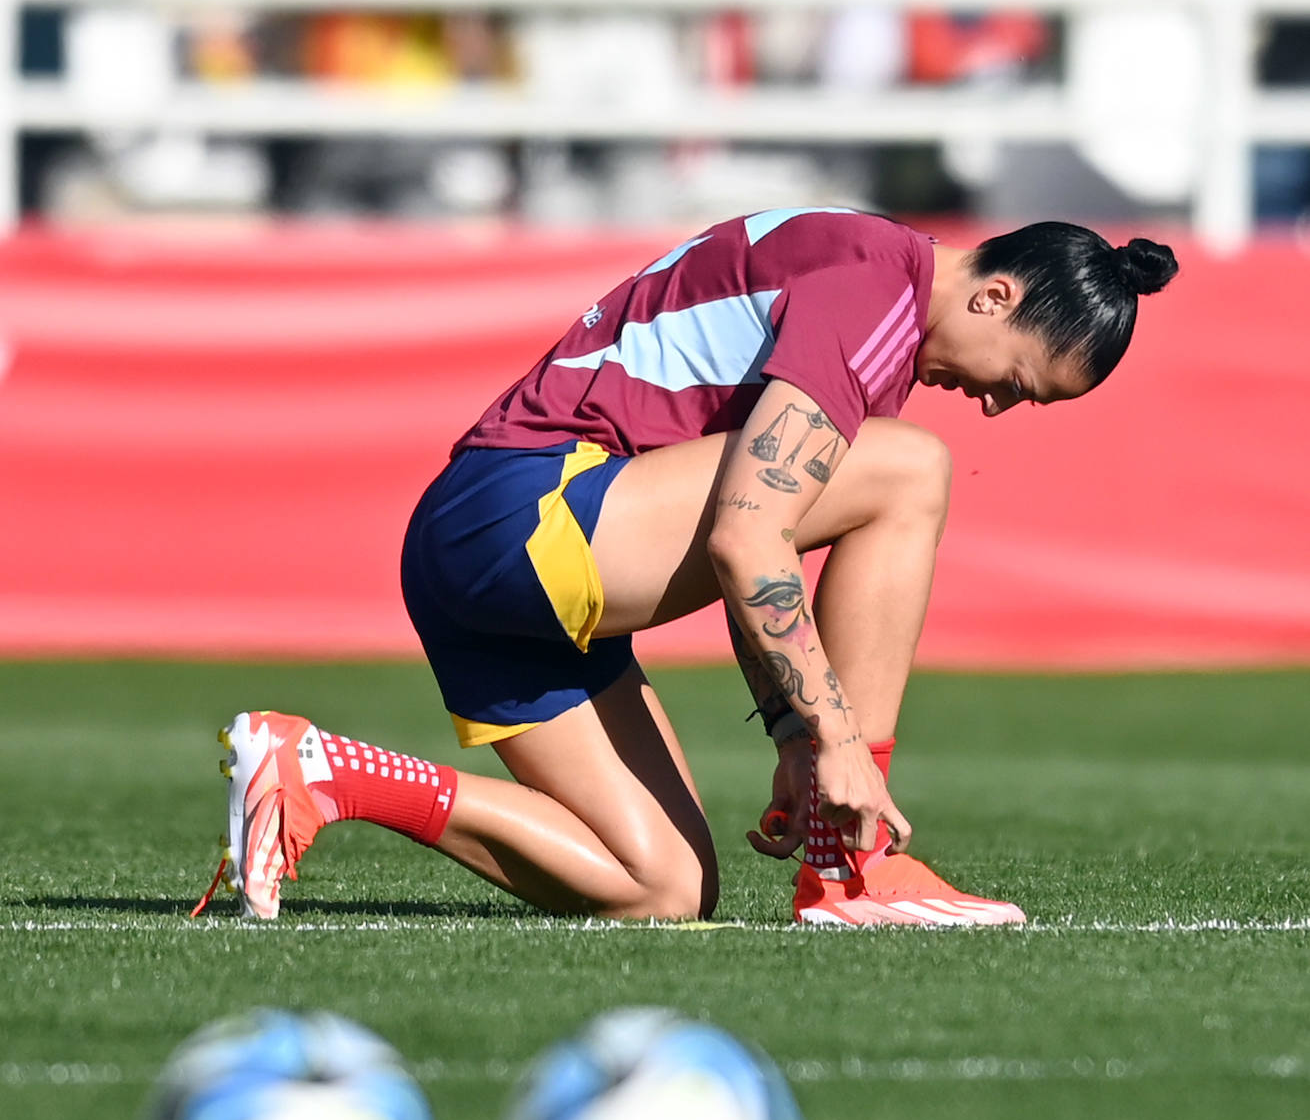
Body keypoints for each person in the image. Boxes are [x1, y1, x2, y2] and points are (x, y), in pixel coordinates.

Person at [195, 207, 1177, 927]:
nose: (995, 408)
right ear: (994, 294)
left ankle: (320, 772)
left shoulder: (870, 290)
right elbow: (745, 539)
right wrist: (827, 739)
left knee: (661, 889)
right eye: (1013, 380)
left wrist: (795, 735)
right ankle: (849, 873)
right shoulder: (873, 286)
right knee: (909, 469)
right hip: (521, 516)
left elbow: (753, 536)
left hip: (493, 556)